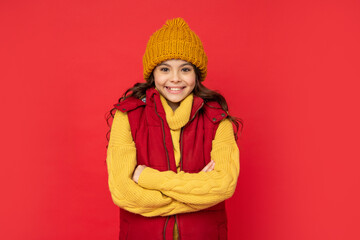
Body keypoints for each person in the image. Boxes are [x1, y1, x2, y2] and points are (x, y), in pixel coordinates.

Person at [106, 17, 242, 240]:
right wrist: (197, 193)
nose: (175, 79)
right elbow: (123, 192)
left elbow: (223, 185)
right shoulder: (127, 116)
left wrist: (147, 178)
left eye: (185, 69)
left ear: (196, 74)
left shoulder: (217, 119)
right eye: (165, 68)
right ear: (153, 73)